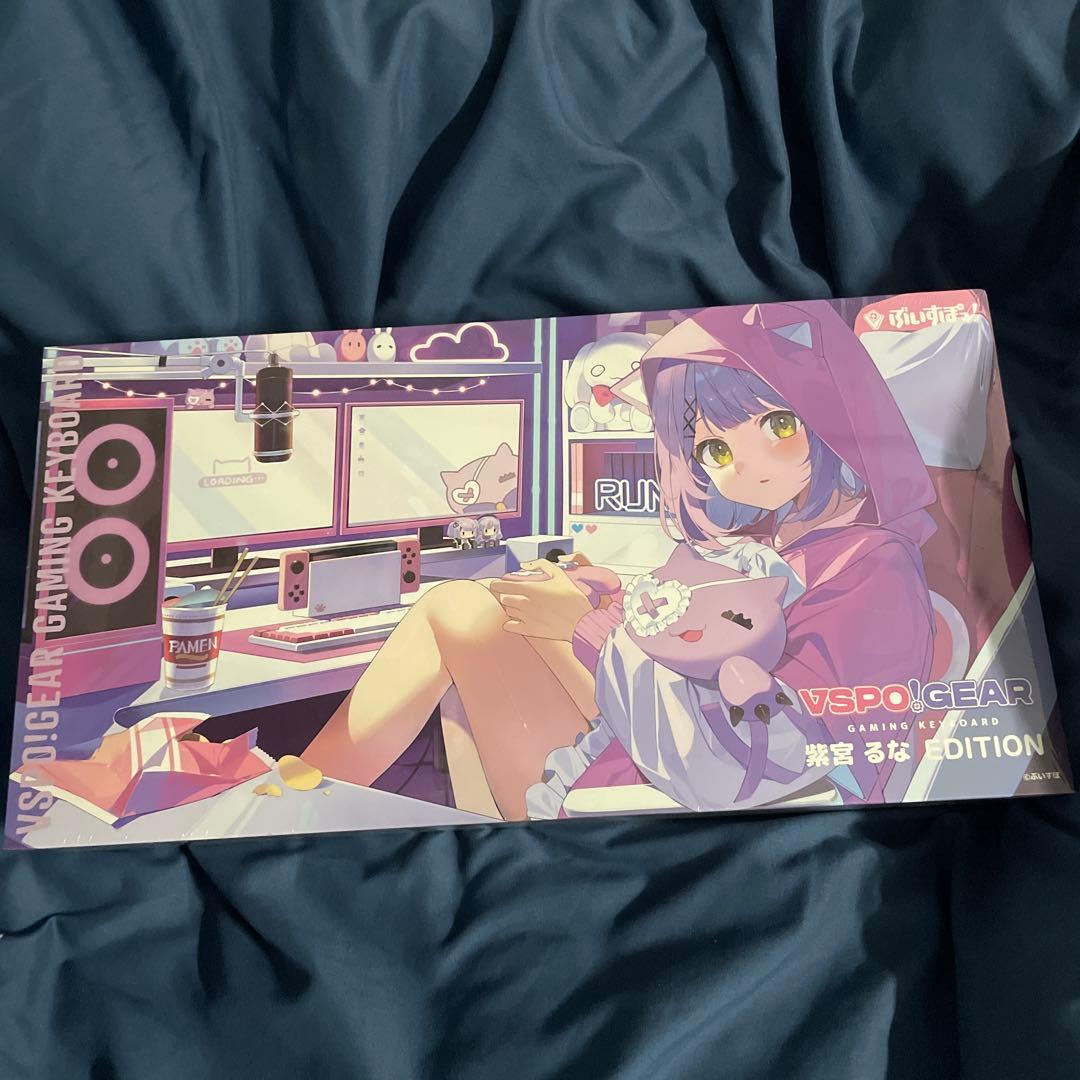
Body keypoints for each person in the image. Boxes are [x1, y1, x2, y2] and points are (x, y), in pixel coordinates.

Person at [303, 300, 936, 819]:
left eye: (777, 427)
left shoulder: (873, 568)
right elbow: (719, 644)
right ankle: (291, 786)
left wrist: (588, 626)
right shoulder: (791, 541)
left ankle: (287, 794)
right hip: (648, 759)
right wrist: (622, 606)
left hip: (655, 806)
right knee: (472, 610)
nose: (745, 467)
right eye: (714, 451)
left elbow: (754, 756)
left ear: (830, 412)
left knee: (459, 612)